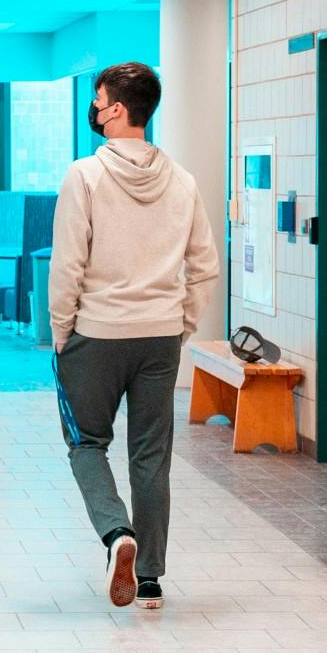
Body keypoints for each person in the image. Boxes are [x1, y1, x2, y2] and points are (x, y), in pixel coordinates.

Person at [49, 61, 219, 611]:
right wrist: (182, 324)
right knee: (152, 456)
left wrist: (60, 331)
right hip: (160, 335)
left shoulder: (86, 176)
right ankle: (148, 579)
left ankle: (116, 533)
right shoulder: (184, 181)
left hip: (96, 334)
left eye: (98, 100)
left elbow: (68, 264)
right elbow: (205, 266)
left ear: (116, 109)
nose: (94, 109)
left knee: (85, 443)